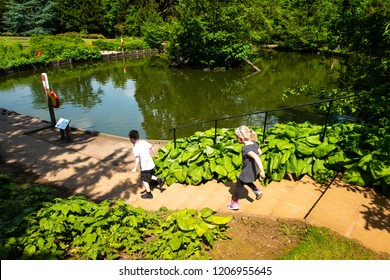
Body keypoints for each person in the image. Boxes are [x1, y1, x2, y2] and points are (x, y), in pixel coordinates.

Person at [227, 125, 266, 210]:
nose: (236, 139)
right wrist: (252, 160)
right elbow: (260, 152)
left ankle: (235, 203)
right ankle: (257, 191)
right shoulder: (255, 144)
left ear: (241, 138)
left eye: (236, 137)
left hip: (247, 170)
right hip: (253, 169)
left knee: (238, 185)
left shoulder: (245, 148)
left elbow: (256, 157)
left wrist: (262, 171)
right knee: (247, 181)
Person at [129, 130, 165, 199]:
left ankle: (149, 194)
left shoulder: (135, 147)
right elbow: (151, 147)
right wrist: (155, 155)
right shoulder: (144, 142)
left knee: (144, 179)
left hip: (145, 166)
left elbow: (137, 159)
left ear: (132, 139)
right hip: (151, 164)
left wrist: (135, 168)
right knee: (148, 176)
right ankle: (159, 180)